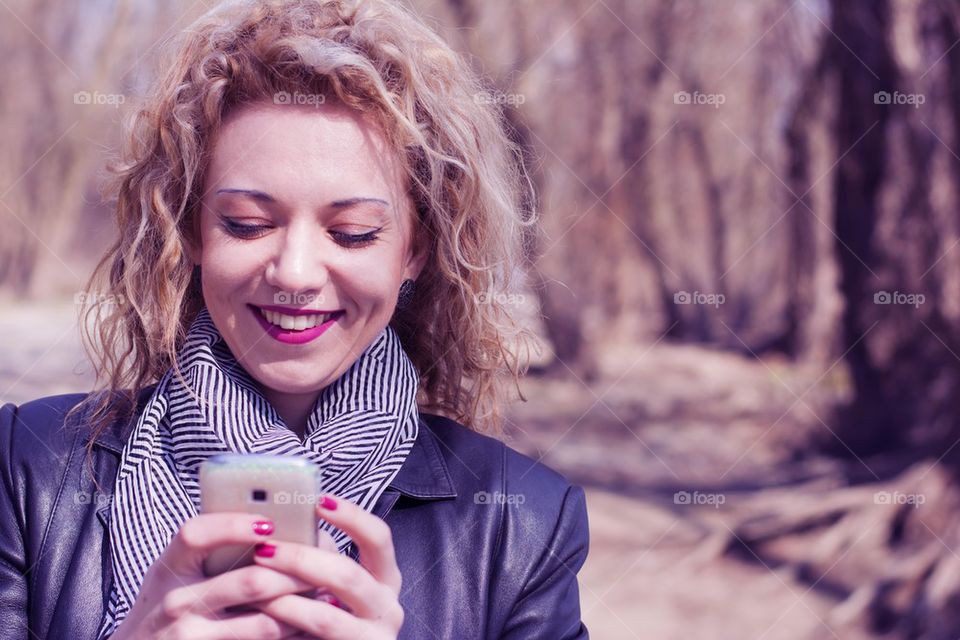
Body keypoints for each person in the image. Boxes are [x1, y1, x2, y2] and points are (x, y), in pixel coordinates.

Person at [0, 0, 590, 638]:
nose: (297, 272)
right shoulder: (28, 468)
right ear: (192, 232)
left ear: (415, 250)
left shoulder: (524, 524)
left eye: (354, 233)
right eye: (247, 224)